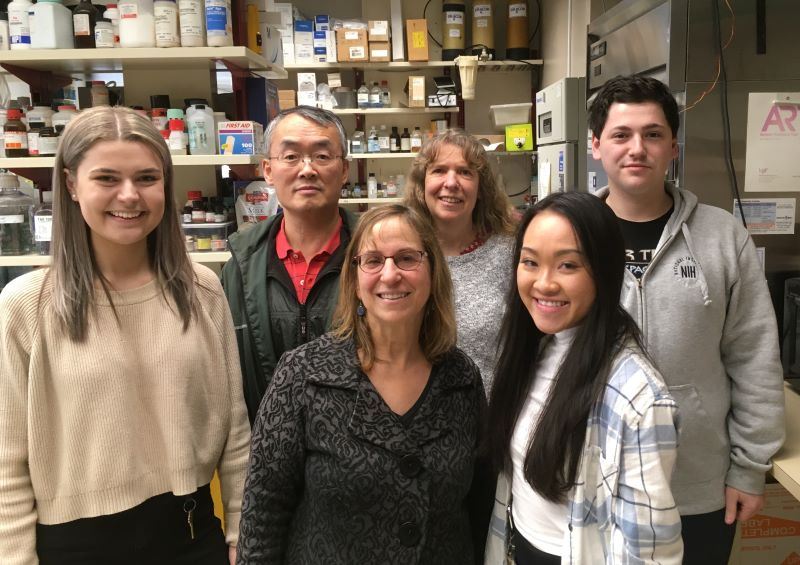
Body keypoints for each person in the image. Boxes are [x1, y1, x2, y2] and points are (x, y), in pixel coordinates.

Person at [0, 106, 250, 564]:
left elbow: (233, 426)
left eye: (147, 178)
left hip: (190, 534)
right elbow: (6, 460)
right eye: (108, 178)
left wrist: (240, 529)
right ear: (72, 185)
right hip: (75, 546)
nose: (130, 195)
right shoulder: (26, 306)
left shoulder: (201, 290)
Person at [588, 75, 785, 564]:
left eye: (653, 134)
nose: (638, 148)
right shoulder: (568, 234)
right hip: (590, 476)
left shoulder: (722, 236)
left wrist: (747, 467)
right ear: (595, 145)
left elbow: (755, 355)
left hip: (697, 483)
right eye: (621, 134)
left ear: (673, 146)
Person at [236, 205, 490, 564]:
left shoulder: (461, 378)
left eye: (406, 258)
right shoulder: (302, 375)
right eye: (372, 261)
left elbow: (479, 507)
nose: (390, 275)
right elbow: (263, 515)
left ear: (433, 273)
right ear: (354, 280)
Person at [486, 192, 682, 564]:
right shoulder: (536, 349)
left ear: (604, 271)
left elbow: (651, 552)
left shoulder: (638, 397)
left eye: (568, 266)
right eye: (530, 262)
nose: (543, 283)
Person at [221, 106, 357, 423]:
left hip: (357, 460)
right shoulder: (239, 269)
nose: (307, 169)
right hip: (266, 451)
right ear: (268, 170)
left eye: (322, 156)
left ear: (344, 170)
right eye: (291, 156)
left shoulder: (378, 258)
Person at [405, 129, 516, 391]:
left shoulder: (511, 253)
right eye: (439, 170)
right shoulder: (401, 256)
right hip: (419, 419)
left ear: (481, 189)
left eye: (465, 172)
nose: (451, 182)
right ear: (422, 185)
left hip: (492, 417)